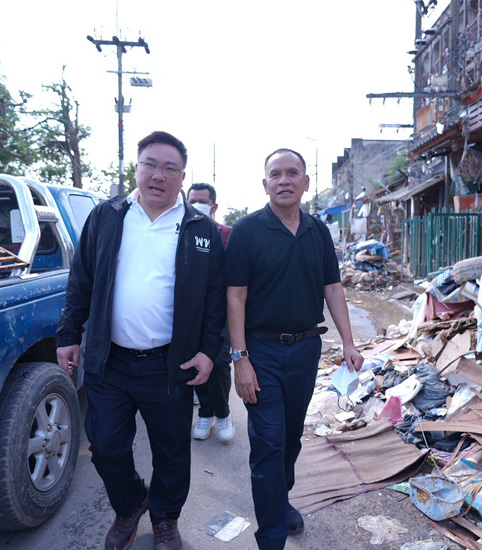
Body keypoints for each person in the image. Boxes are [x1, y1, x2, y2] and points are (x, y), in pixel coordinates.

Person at [56, 131, 225, 550]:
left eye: (170, 168)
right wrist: (68, 334)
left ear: (183, 177)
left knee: (172, 452)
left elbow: (215, 298)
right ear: (137, 167)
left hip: (169, 364)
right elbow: (82, 280)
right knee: (105, 447)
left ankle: (166, 518)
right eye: (150, 164)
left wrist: (208, 352)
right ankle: (131, 504)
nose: (158, 175)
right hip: (109, 361)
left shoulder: (198, 227)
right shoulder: (107, 216)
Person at [224, 148, 364, 549]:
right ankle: (270, 538)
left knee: (290, 438)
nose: (284, 180)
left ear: (305, 182)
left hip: (305, 352)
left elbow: (333, 288)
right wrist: (240, 359)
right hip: (261, 352)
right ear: (264, 183)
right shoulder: (247, 231)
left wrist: (349, 344)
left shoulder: (317, 231)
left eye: (292, 173)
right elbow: (235, 297)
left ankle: (280, 501)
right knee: (268, 443)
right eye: (275, 174)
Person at [186, 182, 235, 442]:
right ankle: (205, 413)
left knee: (219, 364)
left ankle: (224, 413)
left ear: (213, 206)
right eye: (191, 200)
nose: (195, 206)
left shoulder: (227, 234)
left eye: (201, 202)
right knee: (195, 364)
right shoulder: (179, 231)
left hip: (222, 312)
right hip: (191, 314)